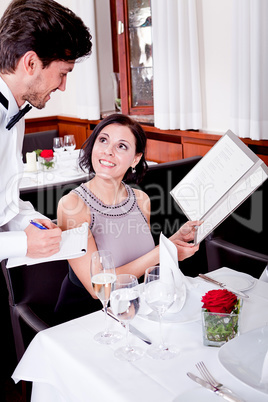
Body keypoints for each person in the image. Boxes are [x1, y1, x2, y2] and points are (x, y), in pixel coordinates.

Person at [55, 113, 201, 322]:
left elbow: (139, 256)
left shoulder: (141, 199)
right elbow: (98, 289)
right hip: (88, 317)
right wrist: (162, 252)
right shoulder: (72, 206)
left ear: (135, 158)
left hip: (134, 308)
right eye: (103, 140)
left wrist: (175, 242)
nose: (108, 151)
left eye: (121, 146)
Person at [0, 0, 92, 261]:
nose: (63, 86)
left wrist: (34, 223)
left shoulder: (15, 113)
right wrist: (22, 242)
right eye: (63, 73)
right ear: (30, 63)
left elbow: (5, 203)